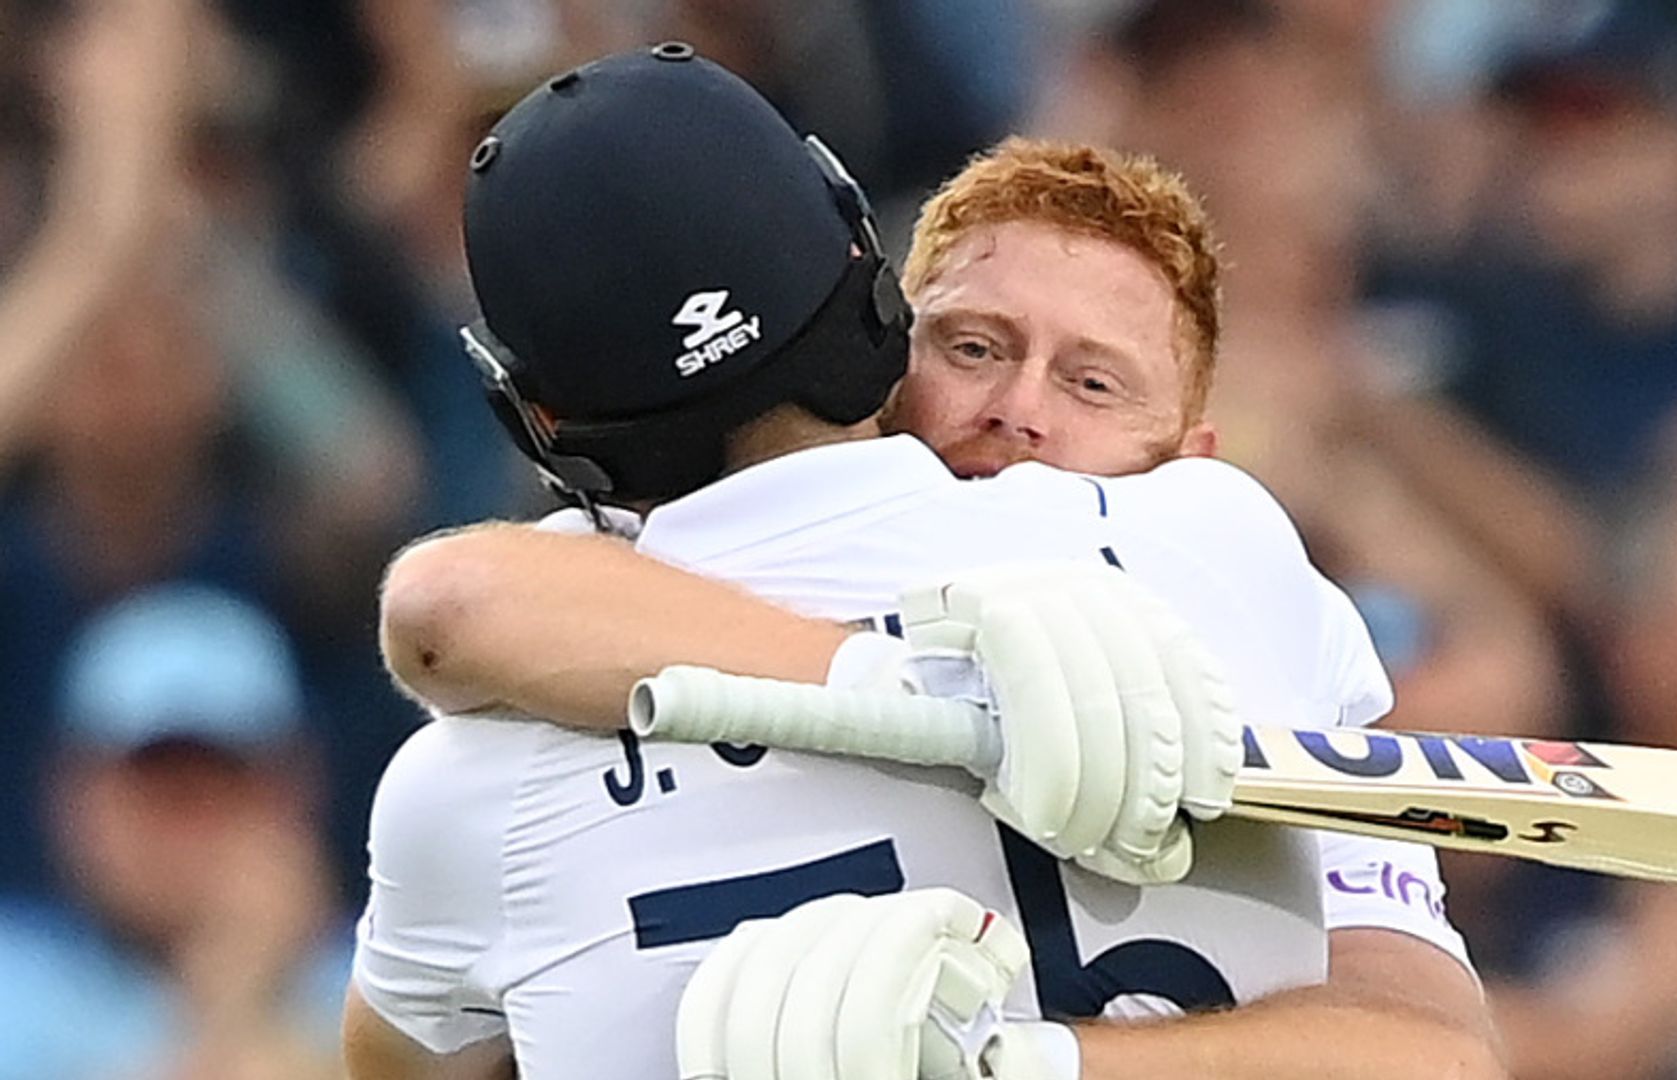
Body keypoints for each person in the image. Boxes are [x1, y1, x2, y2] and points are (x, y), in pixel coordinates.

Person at [350, 47, 1500, 1080]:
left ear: (538, 420)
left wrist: (1007, 1060)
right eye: (977, 347)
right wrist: (917, 690)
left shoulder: (466, 789)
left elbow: (449, 605)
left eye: (1091, 382)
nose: (1019, 413)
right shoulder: (1218, 546)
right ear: (876, 295)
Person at [0, 583, 349, 1079]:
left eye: (223, 788)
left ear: (297, 790)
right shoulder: (11, 989)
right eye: (160, 791)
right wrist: (230, 1002)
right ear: (71, 795)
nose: (189, 834)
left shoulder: (396, 990)